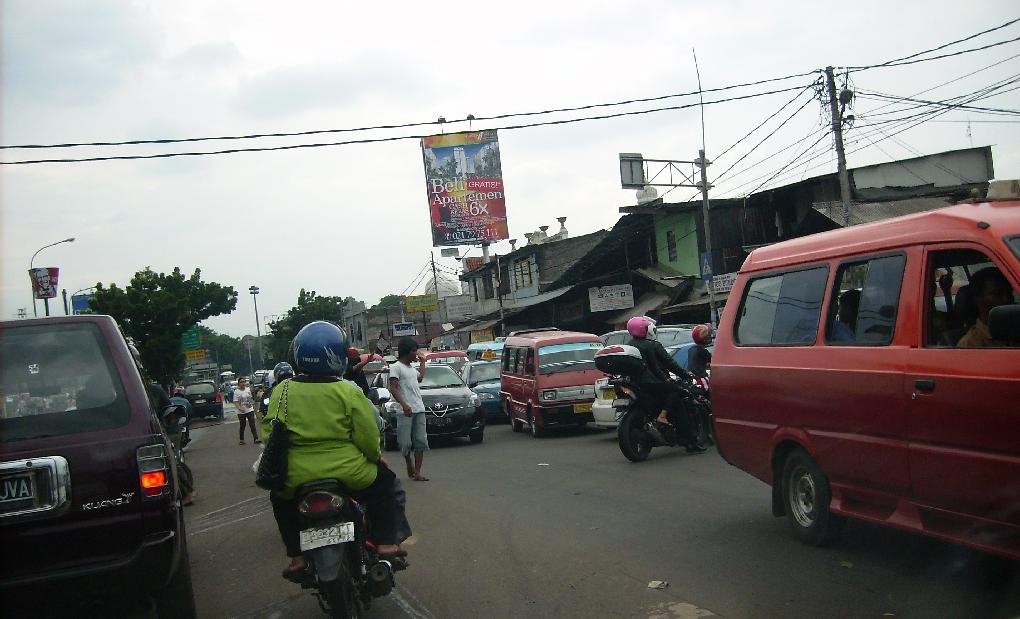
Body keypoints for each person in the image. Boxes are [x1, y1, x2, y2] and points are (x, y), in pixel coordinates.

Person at [261, 321, 409, 581]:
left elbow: (269, 435)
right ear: (337, 356)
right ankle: (386, 543)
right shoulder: (347, 390)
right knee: (386, 484)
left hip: (295, 478)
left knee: (280, 500)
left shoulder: (281, 391)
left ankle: (296, 557)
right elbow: (367, 435)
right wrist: (376, 459)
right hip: (350, 473)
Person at [625, 315, 705, 454]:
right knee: (678, 396)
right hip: (654, 383)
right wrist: (685, 375)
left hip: (636, 385)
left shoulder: (629, 346)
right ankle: (689, 441)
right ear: (645, 329)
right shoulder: (652, 345)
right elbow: (670, 364)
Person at [388, 337, 430, 481]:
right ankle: (408, 462)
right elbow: (393, 388)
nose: (416, 353)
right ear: (407, 351)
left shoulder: (412, 369)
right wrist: (404, 404)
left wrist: (423, 362)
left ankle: (417, 472)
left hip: (419, 409)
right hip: (404, 411)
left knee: (420, 441)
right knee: (405, 442)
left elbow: (420, 377)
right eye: (414, 350)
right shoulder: (395, 367)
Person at [957, 267, 1017, 348]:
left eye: (1009, 292)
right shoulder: (970, 344)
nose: (1006, 299)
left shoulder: (1015, 331)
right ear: (978, 299)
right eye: (997, 294)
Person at [168, 386, 195, 505]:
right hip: (176, 428)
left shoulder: (168, 399)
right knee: (175, 461)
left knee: (174, 463)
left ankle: (188, 492)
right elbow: (190, 413)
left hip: (170, 430)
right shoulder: (185, 401)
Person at [232, 377, 260, 445]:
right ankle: (242, 439)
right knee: (242, 425)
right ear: (238, 383)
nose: (243, 383)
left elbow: (250, 398)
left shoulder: (247, 389)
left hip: (249, 409)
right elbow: (235, 402)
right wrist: (240, 408)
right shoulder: (236, 392)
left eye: (244, 381)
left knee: (252, 424)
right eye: (241, 382)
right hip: (241, 411)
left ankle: (256, 438)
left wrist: (253, 403)